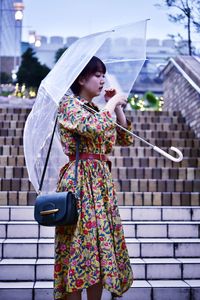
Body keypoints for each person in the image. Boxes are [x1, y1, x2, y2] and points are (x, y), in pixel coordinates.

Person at [54, 56, 134, 300]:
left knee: (99, 249)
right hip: (79, 180)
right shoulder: (68, 105)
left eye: (103, 75)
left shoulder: (97, 109)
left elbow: (124, 138)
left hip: (100, 182)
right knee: (79, 247)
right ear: (81, 79)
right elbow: (91, 127)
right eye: (97, 75)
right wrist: (110, 107)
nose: (102, 80)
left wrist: (116, 106)